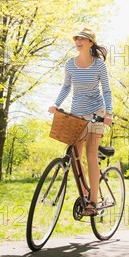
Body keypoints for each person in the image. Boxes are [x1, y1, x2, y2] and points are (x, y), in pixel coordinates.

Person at [48, 27, 113, 216]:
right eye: (77, 38)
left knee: (91, 154)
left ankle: (93, 202)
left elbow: (106, 91)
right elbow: (66, 86)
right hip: (77, 114)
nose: (78, 41)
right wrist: (55, 103)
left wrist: (108, 113)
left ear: (90, 43)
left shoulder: (98, 65)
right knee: (74, 156)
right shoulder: (70, 64)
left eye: (83, 38)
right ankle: (85, 193)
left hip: (96, 113)